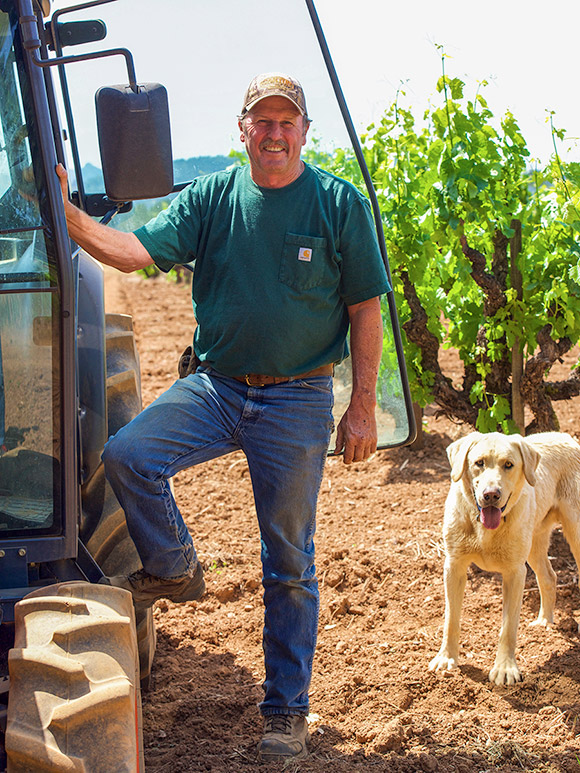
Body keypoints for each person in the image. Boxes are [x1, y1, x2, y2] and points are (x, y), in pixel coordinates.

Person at [56, 72, 390, 762]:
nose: (273, 133)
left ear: (303, 131)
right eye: (260, 122)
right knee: (128, 454)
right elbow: (138, 252)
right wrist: (72, 220)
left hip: (298, 398)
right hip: (216, 387)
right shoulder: (213, 197)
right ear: (241, 130)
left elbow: (364, 308)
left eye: (285, 122)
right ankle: (175, 565)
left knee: (288, 561)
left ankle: (285, 714)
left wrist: (360, 405)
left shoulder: (337, 204)